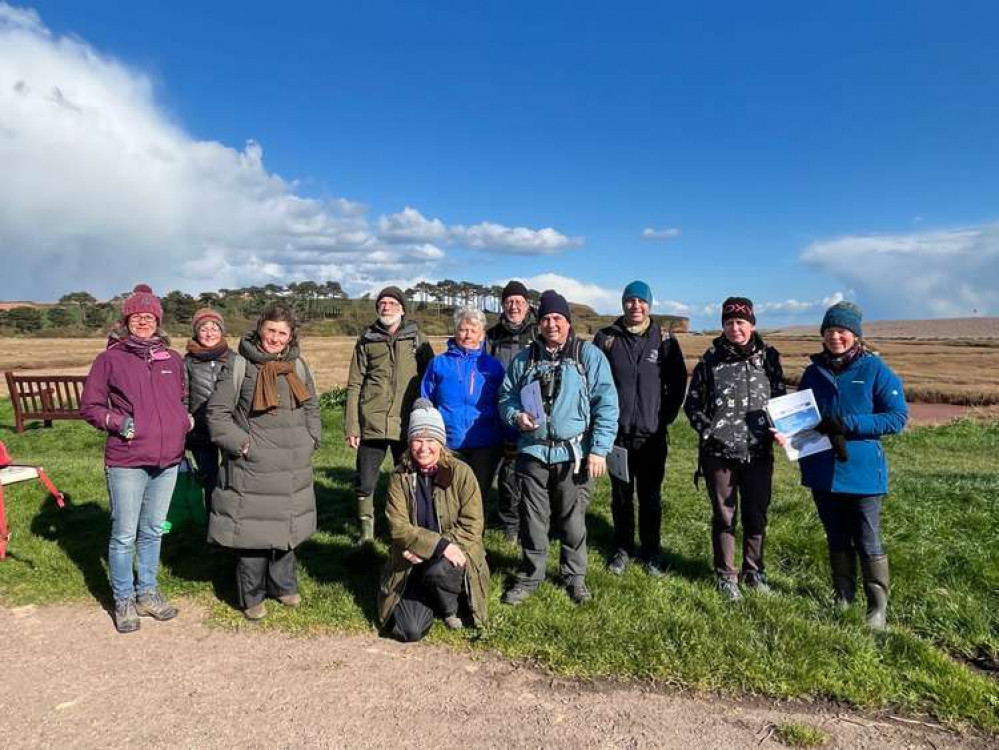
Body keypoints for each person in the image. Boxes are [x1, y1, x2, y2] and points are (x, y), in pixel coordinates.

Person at [779, 301, 907, 629]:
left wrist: (848, 423)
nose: (835, 337)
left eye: (842, 331)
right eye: (829, 331)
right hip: (823, 471)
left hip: (863, 473)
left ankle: (876, 609)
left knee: (868, 539)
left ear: (855, 335)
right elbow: (802, 418)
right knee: (835, 536)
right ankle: (843, 597)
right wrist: (788, 436)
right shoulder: (813, 372)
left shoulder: (874, 370)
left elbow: (896, 417)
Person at [498, 290, 619, 606]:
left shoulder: (588, 356)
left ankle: (574, 577)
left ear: (568, 322)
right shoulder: (527, 359)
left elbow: (606, 404)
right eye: (546, 319)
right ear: (539, 324)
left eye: (558, 319)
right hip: (533, 451)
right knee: (533, 520)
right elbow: (506, 397)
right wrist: (516, 416)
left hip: (573, 454)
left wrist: (599, 449)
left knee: (572, 519)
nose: (552, 324)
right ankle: (530, 576)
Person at [81, 283, 189, 633]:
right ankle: (123, 598)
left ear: (158, 321)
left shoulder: (172, 359)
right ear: (126, 321)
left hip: (168, 458)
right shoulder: (110, 359)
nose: (143, 322)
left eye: (149, 317)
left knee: (153, 530)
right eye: (137, 317)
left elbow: (182, 398)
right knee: (124, 534)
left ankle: (148, 592)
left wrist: (184, 420)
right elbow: (91, 407)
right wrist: (118, 422)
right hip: (127, 458)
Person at [207, 303, 321, 621]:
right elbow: (217, 413)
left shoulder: (298, 366)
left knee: (288, 527)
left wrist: (312, 438)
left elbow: (311, 407)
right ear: (260, 328)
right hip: (252, 464)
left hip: (292, 463)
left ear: (290, 336)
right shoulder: (239, 364)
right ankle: (252, 595)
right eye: (270, 330)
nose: (275, 337)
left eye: (281, 333)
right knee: (252, 535)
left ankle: (283, 586)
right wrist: (240, 444)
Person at [684, 297, 785, 601]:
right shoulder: (710, 359)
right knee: (724, 516)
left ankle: (754, 571)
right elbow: (693, 405)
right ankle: (726, 576)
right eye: (729, 322)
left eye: (740, 322)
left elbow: (781, 401)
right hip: (719, 455)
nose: (735, 328)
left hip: (759, 453)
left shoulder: (769, 357)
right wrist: (709, 433)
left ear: (752, 324)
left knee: (757, 513)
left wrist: (784, 429)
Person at [593, 280, 687, 577]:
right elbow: (593, 381)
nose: (636, 306)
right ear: (623, 303)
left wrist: (664, 418)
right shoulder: (606, 338)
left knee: (650, 497)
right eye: (630, 300)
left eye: (641, 301)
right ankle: (622, 549)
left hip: (652, 436)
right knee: (621, 496)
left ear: (650, 304)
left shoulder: (665, 339)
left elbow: (677, 382)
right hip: (616, 435)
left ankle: (651, 551)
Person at [378, 399, 490, 642]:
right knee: (410, 630)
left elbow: (472, 527)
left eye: (431, 441)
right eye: (418, 440)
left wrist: (439, 548)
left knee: (438, 572)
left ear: (441, 443)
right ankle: (433, 599)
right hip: (411, 562)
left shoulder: (462, 473)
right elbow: (398, 527)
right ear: (409, 443)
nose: (423, 448)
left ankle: (450, 607)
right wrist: (434, 546)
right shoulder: (399, 477)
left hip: (453, 557)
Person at [345, 286, 434, 543]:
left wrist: (426, 422)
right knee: (365, 480)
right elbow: (354, 384)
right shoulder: (366, 339)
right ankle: (366, 534)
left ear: (402, 309)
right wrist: (352, 426)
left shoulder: (417, 338)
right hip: (371, 422)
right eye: (382, 303)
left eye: (392, 303)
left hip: (406, 423)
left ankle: (404, 529)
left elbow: (430, 380)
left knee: (407, 480)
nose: (386, 307)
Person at [421, 306, 505, 504]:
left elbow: (503, 400)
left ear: (482, 334)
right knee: (447, 493)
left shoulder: (492, 366)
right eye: (463, 329)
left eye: (473, 330)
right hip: (449, 442)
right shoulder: (438, 364)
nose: (467, 335)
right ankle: (447, 532)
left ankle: (474, 533)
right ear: (455, 331)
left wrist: (508, 435)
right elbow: (426, 398)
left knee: (477, 495)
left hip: (485, 441)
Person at [486, 280, 538, 542]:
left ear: (527, 305)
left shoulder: (538, 333)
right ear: (503, 305)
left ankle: (536, 519)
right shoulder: (492, 336)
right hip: (500, 411)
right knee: (508, 470)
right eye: (509, 301)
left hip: (534, 410)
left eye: (519, 301)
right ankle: (510, 521)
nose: (514, 305)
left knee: (532, 470)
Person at [183, 308, 234, 513]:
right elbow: (183, 395)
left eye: (214, 328)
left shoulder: (235, 359)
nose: (209, 333)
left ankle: (233, 522)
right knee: (209, 479)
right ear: (196, 332)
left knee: (232, 477)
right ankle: (212, 526)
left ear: (221, 331)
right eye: (204, 329)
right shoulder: (187, 361)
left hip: (231, 427)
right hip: (200, 430)